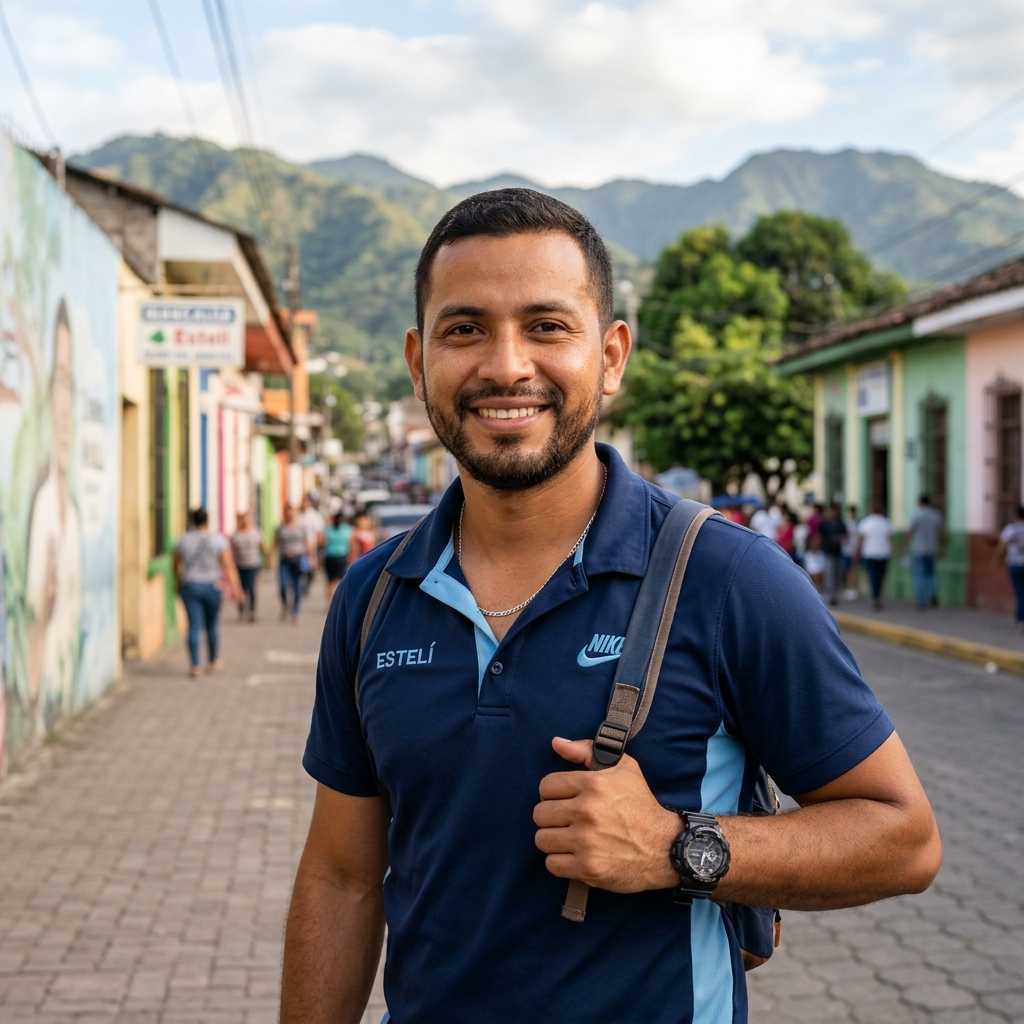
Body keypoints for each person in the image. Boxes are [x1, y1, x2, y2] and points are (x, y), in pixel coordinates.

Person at [280, 189, 940, 1023]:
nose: (506, 365)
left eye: (547, 326)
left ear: (612, 356)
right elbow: (342, 877)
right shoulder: (374, 597)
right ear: (418, 362)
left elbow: (903, 837)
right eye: (465, 329)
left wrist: (676, 846)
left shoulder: (728, 579)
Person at [25, 300, 82, 731]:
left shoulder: (72, 519)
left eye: (71, 383)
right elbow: (33, 626)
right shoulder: (42, 509)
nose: (66, 406)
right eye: (58, 380)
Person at [174, 508, 241, 678]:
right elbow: (229, 566)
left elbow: (176, 563)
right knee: (212, 625)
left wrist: (177, 581)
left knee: (194, 626)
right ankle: (213, 661)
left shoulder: (184, 540)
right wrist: (237, 589)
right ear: (207, 521)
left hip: (191, 586)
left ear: (192, 521)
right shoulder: (218, 540)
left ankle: (195, 666)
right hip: (212, 586)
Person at [903, 495, 945, 610]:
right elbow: (942, 534)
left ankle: (922, 601)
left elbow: (909, 532)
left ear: (920, 503)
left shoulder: (915, 515)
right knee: (931, 574)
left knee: (919, 576)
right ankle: (933, 593)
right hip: (932, 549)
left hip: (918, 549)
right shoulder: (936, 515)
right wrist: (941, 548)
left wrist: (904, 547)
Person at [275, 506, 313, 622]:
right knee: (283, 586)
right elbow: (276, 542)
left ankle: (295, 611)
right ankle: (285, 605)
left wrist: (312, 557)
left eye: (292, 512)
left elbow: (307, 543)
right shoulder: (280, 528)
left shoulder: (301, 527)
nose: (290, 514)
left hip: (298, 559)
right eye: (288, 512)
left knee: (297, 585)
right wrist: (269, 557)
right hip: (285, 560)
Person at [230, 511, 266, 622]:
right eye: (242, 519)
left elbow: (261, 547)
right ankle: (241, 609)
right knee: (240, 588)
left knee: (250, 587)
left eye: (246, 519)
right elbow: (231, 550)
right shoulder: (236, 535)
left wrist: (266, 558)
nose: (244, 521)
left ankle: (251, 611)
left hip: (252, 564)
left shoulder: (256, 533)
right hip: (239, 565)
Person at [992, 506, 1024, 629]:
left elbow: (1002, 546)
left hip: (1015, 563)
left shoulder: (1011, 529)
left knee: (1019, 592)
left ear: (1016, 516)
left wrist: (996, 560)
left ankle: (1021, 618)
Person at [858, 503, 893, 611]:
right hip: (883, 553)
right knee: (881, 576)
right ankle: (878, 596)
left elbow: (861, 538)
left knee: (873, 576)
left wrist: (858, 551)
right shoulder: (886, 522)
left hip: (870, 553)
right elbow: (889, 538)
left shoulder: (866, 522)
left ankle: (875, 596)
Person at [819, 504, 847, 607]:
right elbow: (819, 535)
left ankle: (835, 593)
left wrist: (839, 539)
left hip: (838, 552)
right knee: (830, 574)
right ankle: (831, 595)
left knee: (838, 574)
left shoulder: (840, 523)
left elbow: (845, 535)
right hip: (828, 552)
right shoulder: (825, 524)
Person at [298, 495, 325, 596]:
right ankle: (300, 586)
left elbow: (319, 532)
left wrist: (318, 545)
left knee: (311, 568)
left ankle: (307, 585)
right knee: (301, 567)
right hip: (300, 547)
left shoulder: (314, 516)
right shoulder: (298, 515)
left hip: (312, 546)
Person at [323, 512, 352, 601]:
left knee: (330, 581)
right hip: (339, 556)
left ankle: (330, 601)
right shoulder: (346, 529)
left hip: (332, 556)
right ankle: (336, 600)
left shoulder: (328, 529)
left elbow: (323, 542)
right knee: (340, 580)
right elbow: (351, 543)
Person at [842, 504, 860, 600]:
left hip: (853, 550)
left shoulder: (857, 525)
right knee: (849, 570)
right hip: (847, 550)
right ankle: (849, 588)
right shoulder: (847, 524)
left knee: (852, 570)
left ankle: (852, 588)